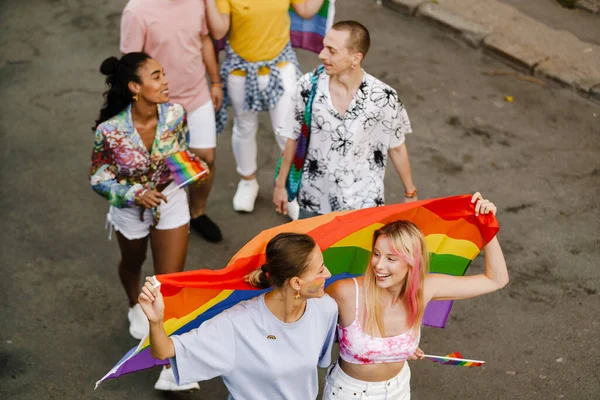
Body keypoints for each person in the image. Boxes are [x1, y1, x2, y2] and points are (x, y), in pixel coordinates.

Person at [90, 53, 204, 391]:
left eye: (164, 73)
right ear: (135, 88)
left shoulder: (176, 115)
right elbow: (98, 177)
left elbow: (180, 156)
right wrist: (134, 194)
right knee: (133, 262)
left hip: (170, 202)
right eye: (156, 76)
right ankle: (132, 306)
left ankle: (173, 368)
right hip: (130, 209)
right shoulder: (109, 132)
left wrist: (193, 168)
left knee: (168, 282)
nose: (165, 81)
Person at [324, 193, 509, 399]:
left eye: (391, 258)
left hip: (398, 389)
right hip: (350, 393)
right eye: (376, 254)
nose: (379, 265)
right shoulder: (345, 292)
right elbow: (302, 321)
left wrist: (487, 227)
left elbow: (496, 279)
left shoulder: (425, 288)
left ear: (412, 261)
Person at [137, 233, 338, 400]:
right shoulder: (236, 325)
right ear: (296, 283)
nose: (328, 273)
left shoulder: (326, 309)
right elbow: (163, 351)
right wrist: (155, 321)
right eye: (320, 270)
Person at [273, 21, 418, 220]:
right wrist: (280, 186)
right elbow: (293, 137)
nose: (322, 55)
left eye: (332, 51)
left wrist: (410, 193)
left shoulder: (383, 97)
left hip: (363, 203)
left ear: (355, 58)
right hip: (314, 198)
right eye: (324, 47)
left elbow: (397, 147)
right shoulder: (308, 86)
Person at [204, 0, 326, 215]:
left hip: (280, 68)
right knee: (244, 128)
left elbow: (306, 10)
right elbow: (219, 30)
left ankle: (289, 189)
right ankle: (248, 181)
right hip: (240, 70)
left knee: (288, 132)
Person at [121, 0, 223, 242]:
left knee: (205, 159)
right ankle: (164, 219)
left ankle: (197, 213)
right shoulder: (136, 11)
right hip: (159, 105)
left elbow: (205, 40)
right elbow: (130, 64)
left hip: (197, 95)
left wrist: (216, 82)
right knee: (160, 168)